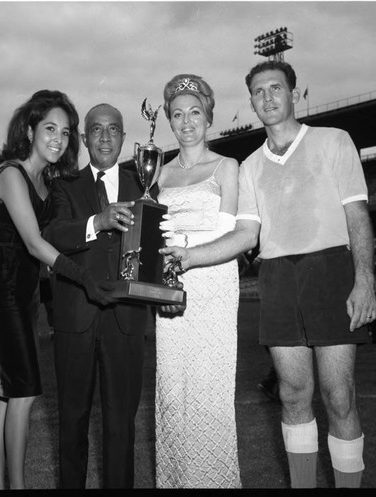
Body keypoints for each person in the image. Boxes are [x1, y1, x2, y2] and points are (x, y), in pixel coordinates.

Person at [161, 61, 376, 489]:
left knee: (339, 396)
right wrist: (190, 256)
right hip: (277, 277)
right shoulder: (251, 166)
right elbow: (245, 234)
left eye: (276, 88)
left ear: (294, 93)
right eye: (258, 92)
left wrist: (364, 278)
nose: (268, 98)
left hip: (329, 270)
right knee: (293, 395)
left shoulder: (334, 141)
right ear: (252, 103)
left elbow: (357, 213)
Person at [0, 90, 114, 490]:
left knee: (7, 388)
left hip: (24, 286)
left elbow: (57, 235)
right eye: (50, 128)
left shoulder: (45, 179)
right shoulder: (10, 173)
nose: (59, 138)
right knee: (23, 390)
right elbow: (36, 243)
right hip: (0, 280)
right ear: (31, 129)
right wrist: (84, 277)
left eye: (66, 132)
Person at [42, 103, 152, 489]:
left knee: (122, 424)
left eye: (114, 129)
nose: (105, 137)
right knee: (72, 422)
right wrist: (97, 222)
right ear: (85, 138)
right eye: (97, 130)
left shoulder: (145, 183)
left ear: (124, 137)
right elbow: (53, 235)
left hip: (126, 321)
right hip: (75, 319)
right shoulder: (63, 186)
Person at [155, 74, 241, 488]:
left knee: (210, 396)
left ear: (208, 116)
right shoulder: (159, 175)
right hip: (172, 291)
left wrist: (187, 253)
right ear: (169, 122)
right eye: (177, 114)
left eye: (194, 112)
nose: (186, 121)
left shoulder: (227, 166)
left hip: (214, 286)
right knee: (172, 396)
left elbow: (229, 236)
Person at [38, 262, 54, 340]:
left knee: (50, 308)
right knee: (33, 311)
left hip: (44, 281)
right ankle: (34, 333)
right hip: (33, 281)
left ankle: (52, 331)